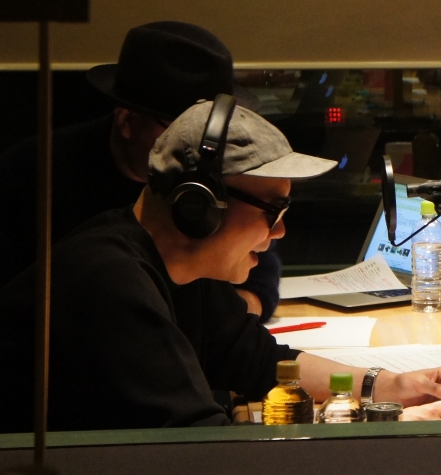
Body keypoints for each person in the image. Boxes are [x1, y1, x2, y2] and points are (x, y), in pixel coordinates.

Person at [0, 97, 441, 432]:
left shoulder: (182, 270)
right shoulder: (111, 285)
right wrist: (384, 427)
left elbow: (259, 361)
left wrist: (387, 388)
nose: (280, 231)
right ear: (200, 206)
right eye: (272, 210)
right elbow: (209, 450)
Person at [0, 21, 281, 318]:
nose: (199, 150)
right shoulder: (31, 173)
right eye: (180, 129)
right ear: (127, 121)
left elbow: (259, 280)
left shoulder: (215, 175)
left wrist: (234, 316)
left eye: (209, 136)